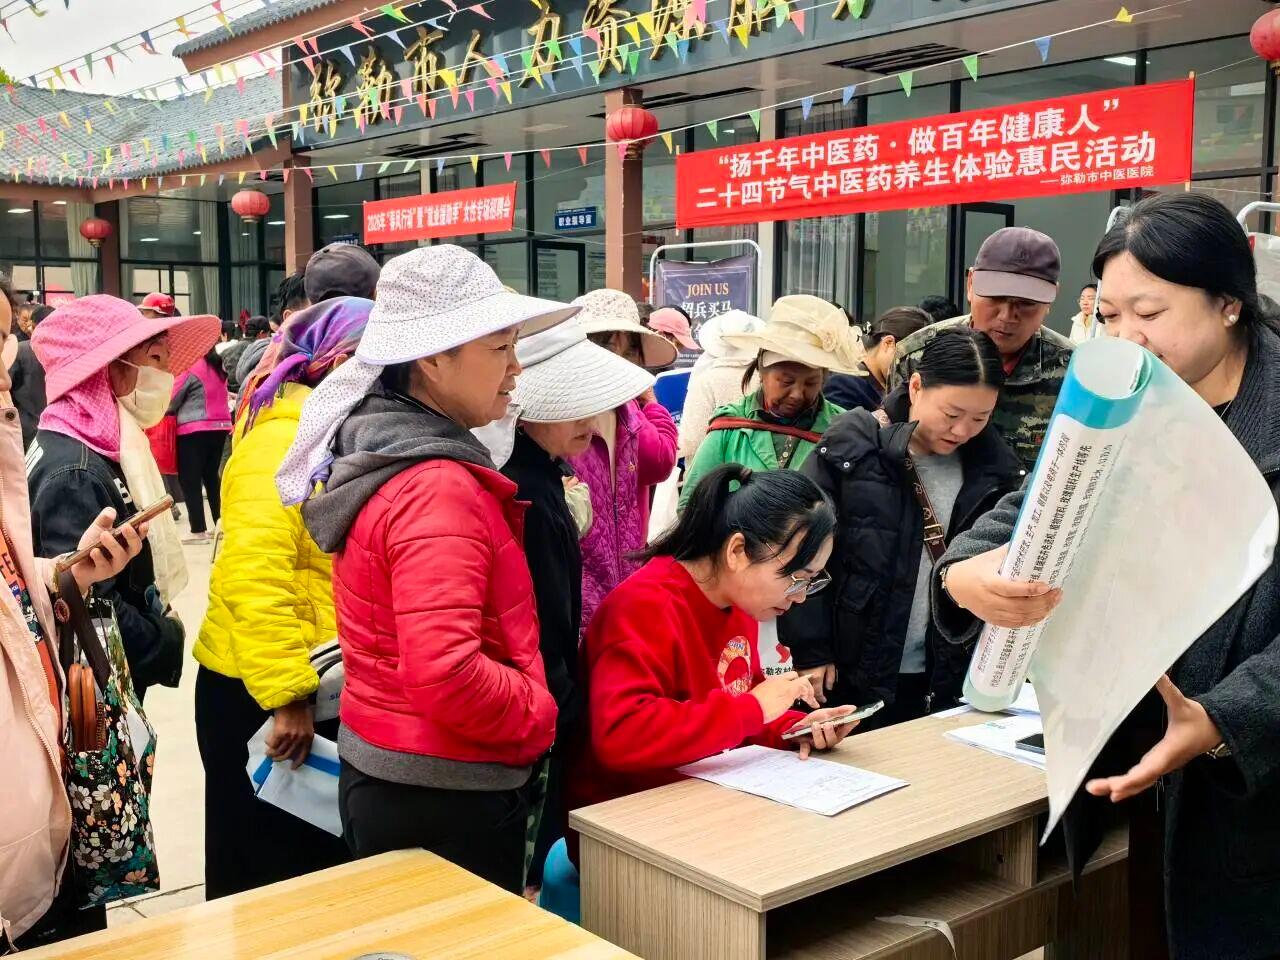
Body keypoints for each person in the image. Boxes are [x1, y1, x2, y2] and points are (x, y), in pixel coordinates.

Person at [935, 193, 1280, 960]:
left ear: (1228, 304)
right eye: (1111, 315)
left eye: (1149, 313)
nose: (1127, 337)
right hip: (1133, 771)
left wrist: (1225, 719)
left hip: (1252, 787)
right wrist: (963, 574)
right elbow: (1036, 502)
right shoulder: (1132, 398)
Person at [274, 245, 577, 893]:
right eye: (501, 348)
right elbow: (446, 670)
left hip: (401, 767)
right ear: (434, 359)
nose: (516, 368)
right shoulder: (436, 484)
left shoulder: (395, 455)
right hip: (445, 789)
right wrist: (537, 710)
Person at [568, 465, 858, 841]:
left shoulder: (740, 604)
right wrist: (754, 709)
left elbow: (737, 712)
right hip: (628, 830)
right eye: (794, 578)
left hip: (704, 808)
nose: (800, 596)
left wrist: (791, 729)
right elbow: (621, 735)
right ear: (737, 551)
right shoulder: (643, 608)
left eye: (810, 581)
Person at [195, 297, 372, 900]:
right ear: (339, 363)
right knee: (262, 875)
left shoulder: (325, 433)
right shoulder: (282, 439)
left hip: (307, 679)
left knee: (307, 871)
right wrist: (288, 697)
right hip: (259, 690)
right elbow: (254, 574)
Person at [481, 314, 654, 893]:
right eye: (575, 406)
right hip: (535, 707)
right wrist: (564, 709)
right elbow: (538, 621)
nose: (590, 420)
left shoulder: (541, 476)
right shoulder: (523, 490)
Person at [781, 327, 1022, 726]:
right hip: (852, 670)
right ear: (916, 387)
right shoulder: (854, 447)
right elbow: (797, 548)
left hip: (945, 674)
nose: (962, 430)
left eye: (980, 418)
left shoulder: (994, 468)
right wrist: (811, 648)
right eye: (952, 414)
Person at [28, 296, 218, 697]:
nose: (167, 375)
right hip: (95, 692)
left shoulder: (87, 442)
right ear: (109, 368)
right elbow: (88, 606)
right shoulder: (76, 473)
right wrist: (163, 637)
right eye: (156, 358)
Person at [892, 228, 1072, 471]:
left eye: (1026, 304)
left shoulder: (1072, 373)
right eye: (995, 298)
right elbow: (894, 448)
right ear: (970, 284)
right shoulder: (915, 356)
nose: (1007, 316)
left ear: (1050, 300)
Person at [679, 295, 859, 511]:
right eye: (786, 381)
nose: (797, 394)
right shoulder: (729, 429)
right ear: (762, 371)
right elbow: (691, 505)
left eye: (811, 383)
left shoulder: (842, 429)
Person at [569, 288, 679, 635]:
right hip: (574, 607)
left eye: (629, 350)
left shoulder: (628, 413)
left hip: (626, 595)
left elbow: (661, 461)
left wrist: (649, 404)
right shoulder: (558, 419)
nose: (617, 360)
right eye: (605, 345)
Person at [678, 309, 763, 461]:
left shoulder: (706, 378)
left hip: (712, 469)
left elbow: (690, 440)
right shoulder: (766, 377)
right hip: (758, 467)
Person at [169, 348, 233, 543]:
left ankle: (197, 530)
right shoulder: (218, 366)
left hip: (194, 428)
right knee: (211, 478)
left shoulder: (190, 367)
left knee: (190, 479)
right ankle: (221, 525)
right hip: (220, 426)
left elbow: (171, 399)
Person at [825, 306, 933, 413]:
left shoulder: (890, 386)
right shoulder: (845, 384)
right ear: (888, 343)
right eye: (915, 360)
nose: (916, 370)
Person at [7, 304, 50, 448]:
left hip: (25, 427)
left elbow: (6, 389)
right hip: (57, 429)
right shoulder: (68, 352)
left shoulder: (20, 349)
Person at [224, 314, 271, 393]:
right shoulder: (261, 351)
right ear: (261, 333)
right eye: (268, 334)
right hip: (248, 393)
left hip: (228, 394)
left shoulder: (227, 350)